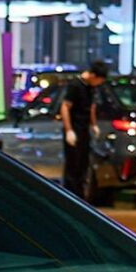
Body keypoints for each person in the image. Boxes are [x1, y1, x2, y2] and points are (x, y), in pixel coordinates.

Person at [58, 60, 107, 196]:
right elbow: (65, 107)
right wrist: (69, 130)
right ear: (93, 75)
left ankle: (80, 195)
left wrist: (94, 124)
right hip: (74, 128)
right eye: (99, 80)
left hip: (84, 129)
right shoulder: (75, 85)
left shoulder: (90, 88)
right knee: (73, 165)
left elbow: (91, 107)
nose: (99, 84)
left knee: (83, 165)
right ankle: (71, 195)